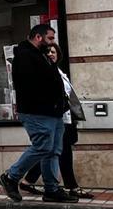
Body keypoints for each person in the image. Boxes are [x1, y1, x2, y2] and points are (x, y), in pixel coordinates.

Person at [0, 24, 75, 203]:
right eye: (50, 38)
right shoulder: (25, 56)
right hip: (37, 112)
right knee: (43, 147)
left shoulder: (41, 55)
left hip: (53, 112)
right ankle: (11, 176)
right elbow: (32, 85)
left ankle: (51, 189)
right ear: (38, 37)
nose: (52, 43)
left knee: (54, 151)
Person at [20, 44, 92, 200]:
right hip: (55, 117)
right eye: (48, 52)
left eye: (54, 52)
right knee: (62, 151)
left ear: (58, 55)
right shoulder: (45, 72)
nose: (51, 54)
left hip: (65, 117)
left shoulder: (58, 71)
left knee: (52, 150)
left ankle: (28, 180)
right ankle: (72, 186)